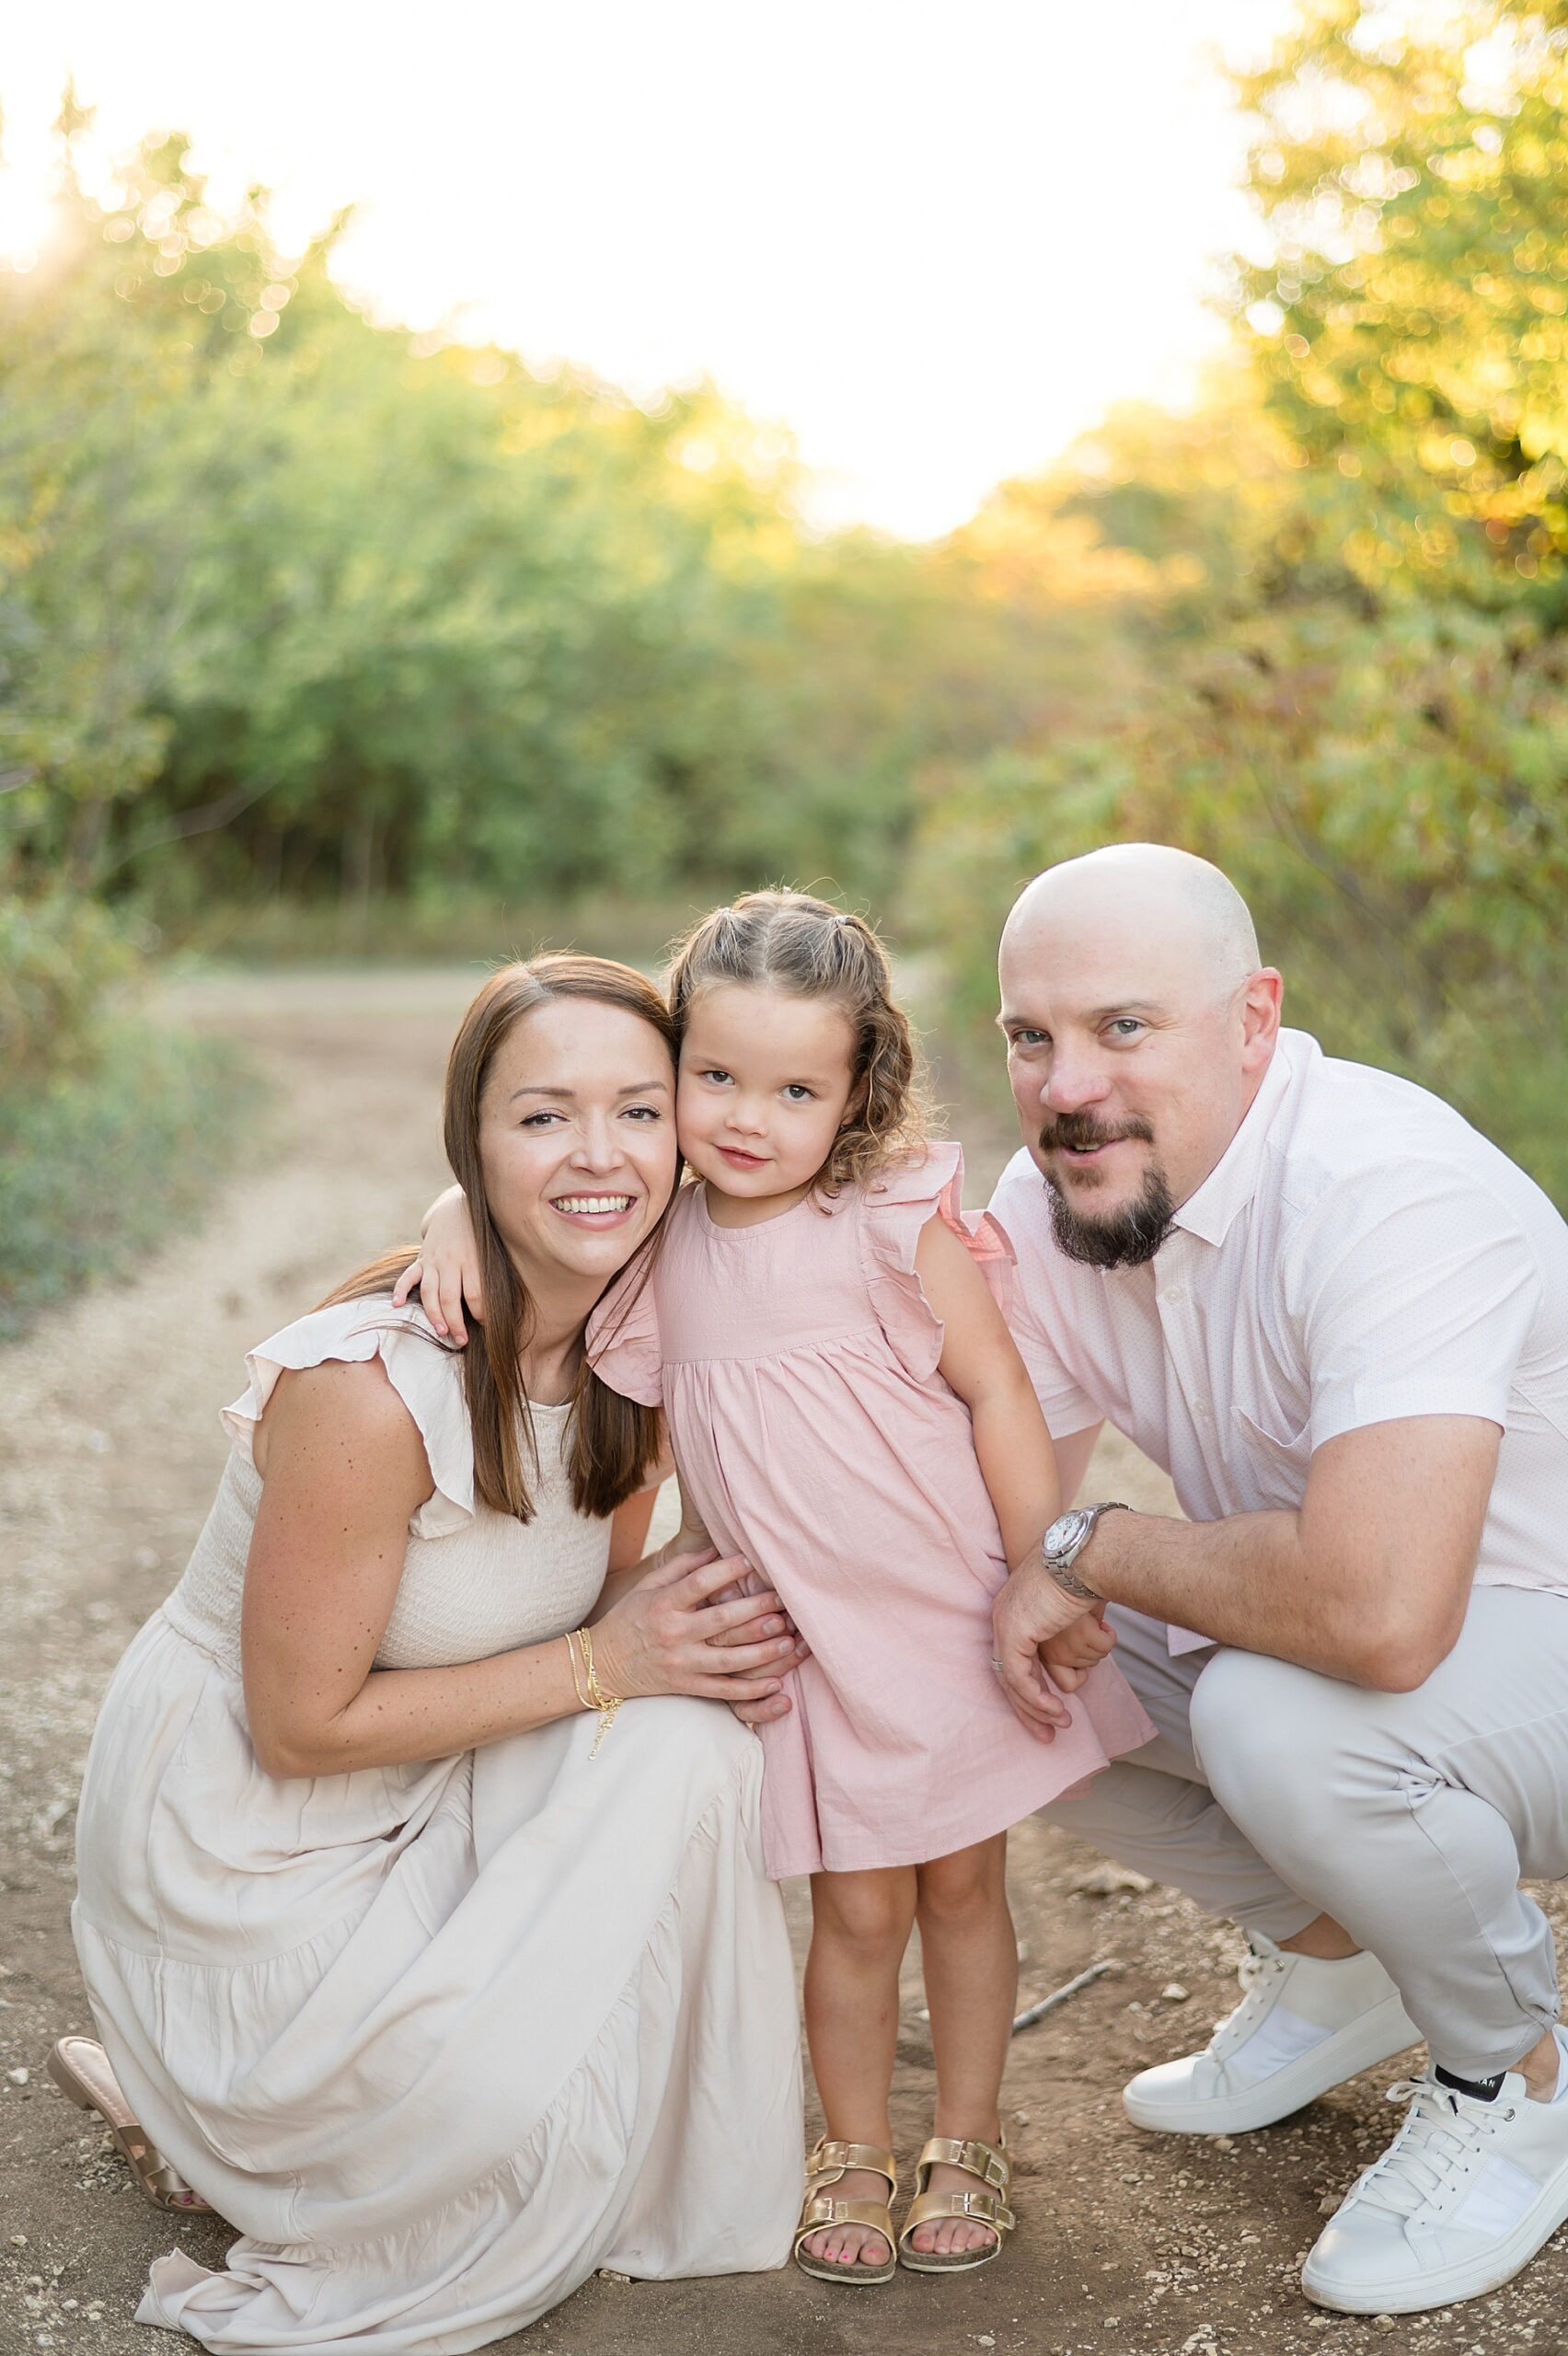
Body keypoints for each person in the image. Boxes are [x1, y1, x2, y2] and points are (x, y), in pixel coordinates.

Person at [54, 954, 806, 2353]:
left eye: (639, 1112)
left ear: (688, 1135)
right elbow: (299, 1728)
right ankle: (218, 2119)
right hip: (252, 1851)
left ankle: (296, 2137)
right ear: (472, 1140)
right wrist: (611, 1666)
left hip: (434, 1779)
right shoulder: (368, 1390)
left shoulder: (642, 1355)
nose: (600, 1155)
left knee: (698, 1739)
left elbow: (852, 1212)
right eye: (541, 1119)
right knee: (464, 2168)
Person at [419, 890, 1152, 2286]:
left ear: (858, 1089)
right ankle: (856, 2148)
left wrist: (1029, 1576)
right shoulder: (657, 1244)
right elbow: (629, 1435)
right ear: (674, 1068)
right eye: (714, 1079)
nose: (748, 1117)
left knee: (963, 1890)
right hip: (805, 1642)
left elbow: (997, 1391)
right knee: (857, 1911)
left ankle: (974, 2132)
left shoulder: (886, 1218)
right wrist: (453, 1202)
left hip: (946, 1616)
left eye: (795, 1087)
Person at [986, 841, 1568, 2319]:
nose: (1067, 1085)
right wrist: (511, 1212)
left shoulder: (1387, 1187)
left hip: (1533, 1645)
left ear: (1255, 1021)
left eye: (1124, 1028)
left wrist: (1093, 1548)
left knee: (1280, 1714)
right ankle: (1340, 1965)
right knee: (966, 1657)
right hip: (1403, 1669)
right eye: (1031, 1037)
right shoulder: (1060, 1189)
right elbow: (999, 1530)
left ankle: (1518, 2074)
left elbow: (1375, 1614)